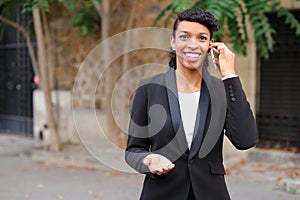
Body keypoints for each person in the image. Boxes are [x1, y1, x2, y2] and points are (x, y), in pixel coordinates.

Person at [125, 8, 257, 200]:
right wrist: (148, 159)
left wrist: (229, 76)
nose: (193, 45)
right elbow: (133, 151)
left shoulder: (220, 91)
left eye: (202, 38)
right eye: (184, 36)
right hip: (163, 193)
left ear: (211, 45)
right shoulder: (149, 89)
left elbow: (245, 140)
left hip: (211, 193)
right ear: (173, 42)